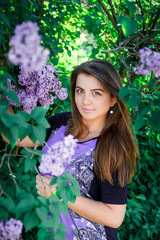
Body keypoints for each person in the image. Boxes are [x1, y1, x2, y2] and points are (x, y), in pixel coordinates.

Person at [35, 59, 139, 240]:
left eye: (96, 93)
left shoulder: (113, 148)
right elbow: (19, 137)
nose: (85, 101)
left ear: (113, 99)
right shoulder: (62, 123)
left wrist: (58, 192)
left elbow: (114, 217)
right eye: (80, 91)